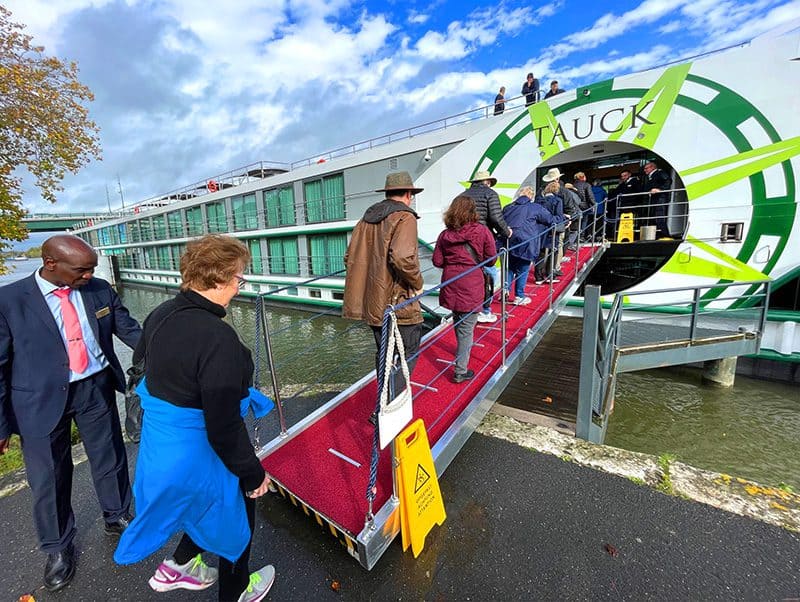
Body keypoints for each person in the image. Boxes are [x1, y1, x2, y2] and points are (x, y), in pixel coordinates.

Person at [114, 234, 275, 602]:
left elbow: (145, 369)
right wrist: (253, 473)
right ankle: (236, 591)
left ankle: (180, 565)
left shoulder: (160, 314)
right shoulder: (217, 336)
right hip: (198, 447)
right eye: (238, 278)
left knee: (193, 505)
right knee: (238, 509)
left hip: (162, 447)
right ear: (218, 280)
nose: (239, 286)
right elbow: (223, 425)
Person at [0, 234, 142, 592]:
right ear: (51, 264)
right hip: (38, 401)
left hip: (94, 387)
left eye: (92, 268)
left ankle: (118, 515)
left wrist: (172, 353)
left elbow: (128, 329)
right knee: (49, 479)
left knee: (110, 456)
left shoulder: (97, 289)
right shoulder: (9, 301)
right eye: (82, 270)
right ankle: (58, 549)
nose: (89, 275)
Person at [343, 171, 424, 398]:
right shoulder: (404, 217)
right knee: (408, 351)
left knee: (384, 353)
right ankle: (391, 403)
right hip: (398, 302)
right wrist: (417, 283)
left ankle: (383, 398)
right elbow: (401, 257)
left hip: (373, 303)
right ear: (408, 194)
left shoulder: (365, 219)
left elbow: (349, 257)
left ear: (388, 193)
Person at [432, 196, 496, 383]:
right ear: (472, 211)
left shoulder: (445, 235)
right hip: (472, 282)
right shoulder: (482, 231)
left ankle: (462, 351)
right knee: (467, 327)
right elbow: (491, 259)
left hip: (451, 280)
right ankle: (460, 370)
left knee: (459, 320)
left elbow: (437, 261)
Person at [462, 169, 512, 323]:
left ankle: (469, 308)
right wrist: (506, 232)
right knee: (489, 271)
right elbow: (496, 218)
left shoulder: (462, 196)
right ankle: (485, 310)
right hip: (483, 238)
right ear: (488, 182)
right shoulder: (490, 194)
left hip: (464, 238)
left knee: (469, 272)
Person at [502, 187, 554, 301]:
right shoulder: (535, 207)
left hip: (509, 241)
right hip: (527, 242)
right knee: (523, 269)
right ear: (531, 196)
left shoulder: (508, 207)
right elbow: (550, 219)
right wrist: (563, 218)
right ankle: (519, 296)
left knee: (510, 268)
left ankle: (505, 291)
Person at [536, 182, 568, 283]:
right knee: (553, 251)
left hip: (540, 229)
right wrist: (565, 217)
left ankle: (538, 277)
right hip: (552, 229)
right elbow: (558, 217)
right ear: (556, 190)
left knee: (540, 252)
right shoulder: (557, 200)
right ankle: (550, 275)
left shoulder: (538, 201)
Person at [643, 161, 673, 237]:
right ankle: (658, 235)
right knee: (653, 218)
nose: (645, 170)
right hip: (654, 199)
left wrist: (660, 189)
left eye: (646, 168)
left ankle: (665, 236)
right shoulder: (650, 176)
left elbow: (668, 180)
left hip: (660, 198)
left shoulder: (660, 172)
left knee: (659, 217)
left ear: (653, 167)